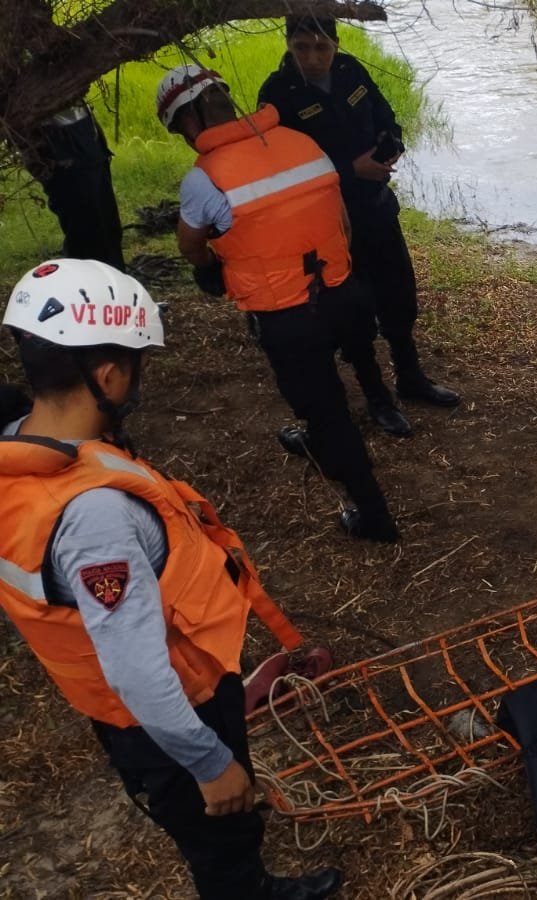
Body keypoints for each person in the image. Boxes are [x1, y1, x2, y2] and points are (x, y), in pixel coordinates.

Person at [0, 259, 342, 900]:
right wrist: (211, 767)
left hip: (131, 714)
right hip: (173, 714)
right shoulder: (94, 517)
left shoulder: (25, 450)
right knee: (222, 838)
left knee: (216, 836)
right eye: (135, 365)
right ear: (108, 375)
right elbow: (137, 671)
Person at [160, 63, 398, 541]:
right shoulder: (298, 141)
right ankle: (374, 410)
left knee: (323, 406)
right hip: (343, 288)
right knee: (352, 360)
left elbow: (190, 246)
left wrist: (212, 265)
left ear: (187, 123)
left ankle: (372, 513)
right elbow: (341, 220)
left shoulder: (203, 179)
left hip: (286, 313)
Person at [258, 16, 459, 439]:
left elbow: (385, 113)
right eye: (302, 48)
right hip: (329, 225)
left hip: (377, 208)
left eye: (321, 47)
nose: (313, 58)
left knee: (399, 296)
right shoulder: (277, 95)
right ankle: (378, 399)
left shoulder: (351, 70)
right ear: (288, 45)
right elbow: (283, 170)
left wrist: (392, 143)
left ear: (335, 43)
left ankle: (411, 377)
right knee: (354, 314)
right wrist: (351, 170)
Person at [20, 99, 126, 270]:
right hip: (56, 138)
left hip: (79, 129)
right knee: (86, 226)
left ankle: (113, 281)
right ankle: (89, 286)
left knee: (105, 222)